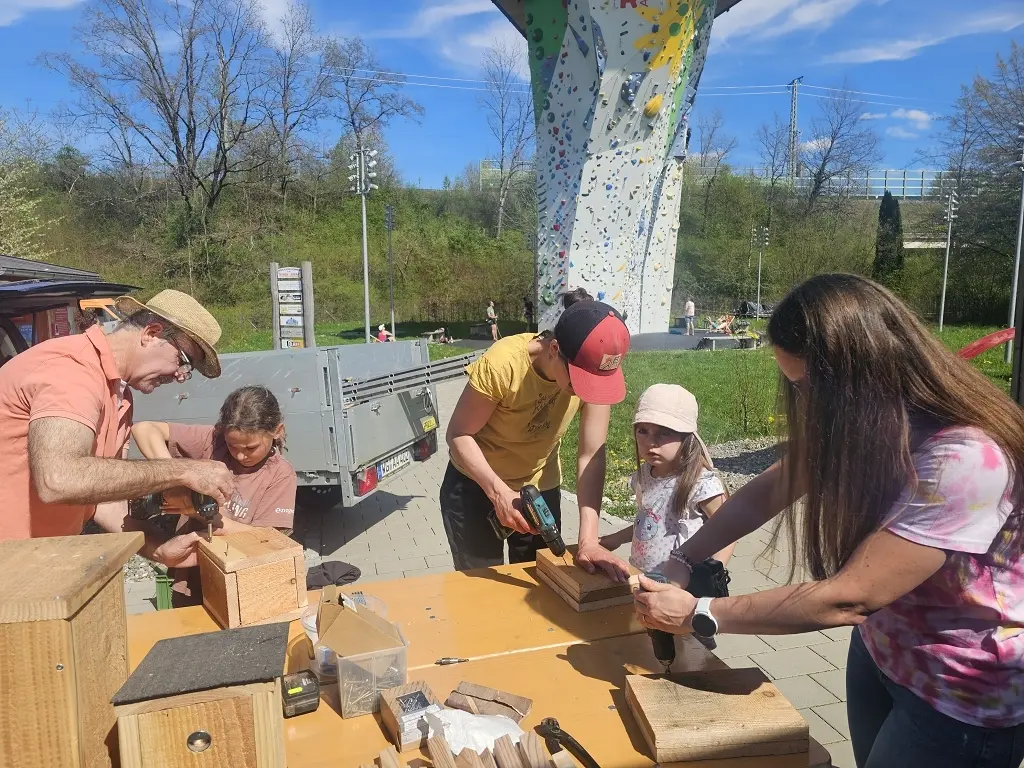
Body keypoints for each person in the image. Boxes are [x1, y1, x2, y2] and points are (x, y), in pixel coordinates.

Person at [632, 274, 1024, 768]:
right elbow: (768, 491)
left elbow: (849, 597)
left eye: (807, 387)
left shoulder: (965, 459)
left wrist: (699, 612)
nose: (804, 404)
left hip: (959, 694)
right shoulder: (868, 418)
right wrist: (684, 557)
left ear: (860, 374)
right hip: (883, 651)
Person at [0, 289, 234, 569]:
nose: (180, 376)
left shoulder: (118, 393)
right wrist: (184, 470)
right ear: (151, 333)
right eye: (183, 360)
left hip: (35, 560)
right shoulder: (72, 372)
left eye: (189, 369)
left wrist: (158, 549)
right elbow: (58, 479)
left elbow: (101, 499)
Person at [441, 293, 633, 579]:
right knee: (483, 589)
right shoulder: (503, 364)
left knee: (543, 584)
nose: (586, 393)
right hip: (475, 486)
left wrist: (589, 539)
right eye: (580, 382)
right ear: (554, 349)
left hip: (538, 489)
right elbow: (458, 434)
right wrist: (497, 492)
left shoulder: (593, 369)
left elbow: (591, 453)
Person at [132, 385, 297, 606]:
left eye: (251, 447)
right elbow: (144, 429)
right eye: (232, 445)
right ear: (222, 431)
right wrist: (175, 475)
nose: (240, 455)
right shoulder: (212, 440)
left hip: (242, 585)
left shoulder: (280, 474)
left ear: (277, 431)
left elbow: (270, 540)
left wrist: (198, 511)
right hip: (190, 578)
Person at [599, 384, 732, 572]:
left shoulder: (701, 484)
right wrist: (614, 539)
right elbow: (649, 523)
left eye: (664, 432)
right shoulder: (646, 474)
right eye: (642, 431)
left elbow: (728, 531)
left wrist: (713, 573)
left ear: (687, 437)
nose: (651, 443)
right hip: (642, 576)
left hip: (683, 588)